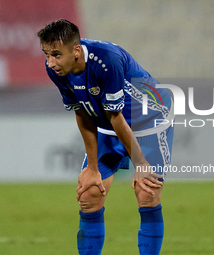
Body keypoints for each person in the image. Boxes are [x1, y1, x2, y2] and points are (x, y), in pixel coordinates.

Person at [37, 19, 174, 255]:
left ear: (76, 51)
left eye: (56, 55)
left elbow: (117, 117)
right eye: (46, 54)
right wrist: (92, 167)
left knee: (146, 190)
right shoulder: (57, 69)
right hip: (109, 123)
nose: (50, 62)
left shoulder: (106, 60)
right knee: (89, 194)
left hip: (150, 120)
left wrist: (140, 164)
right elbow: (82, 112)